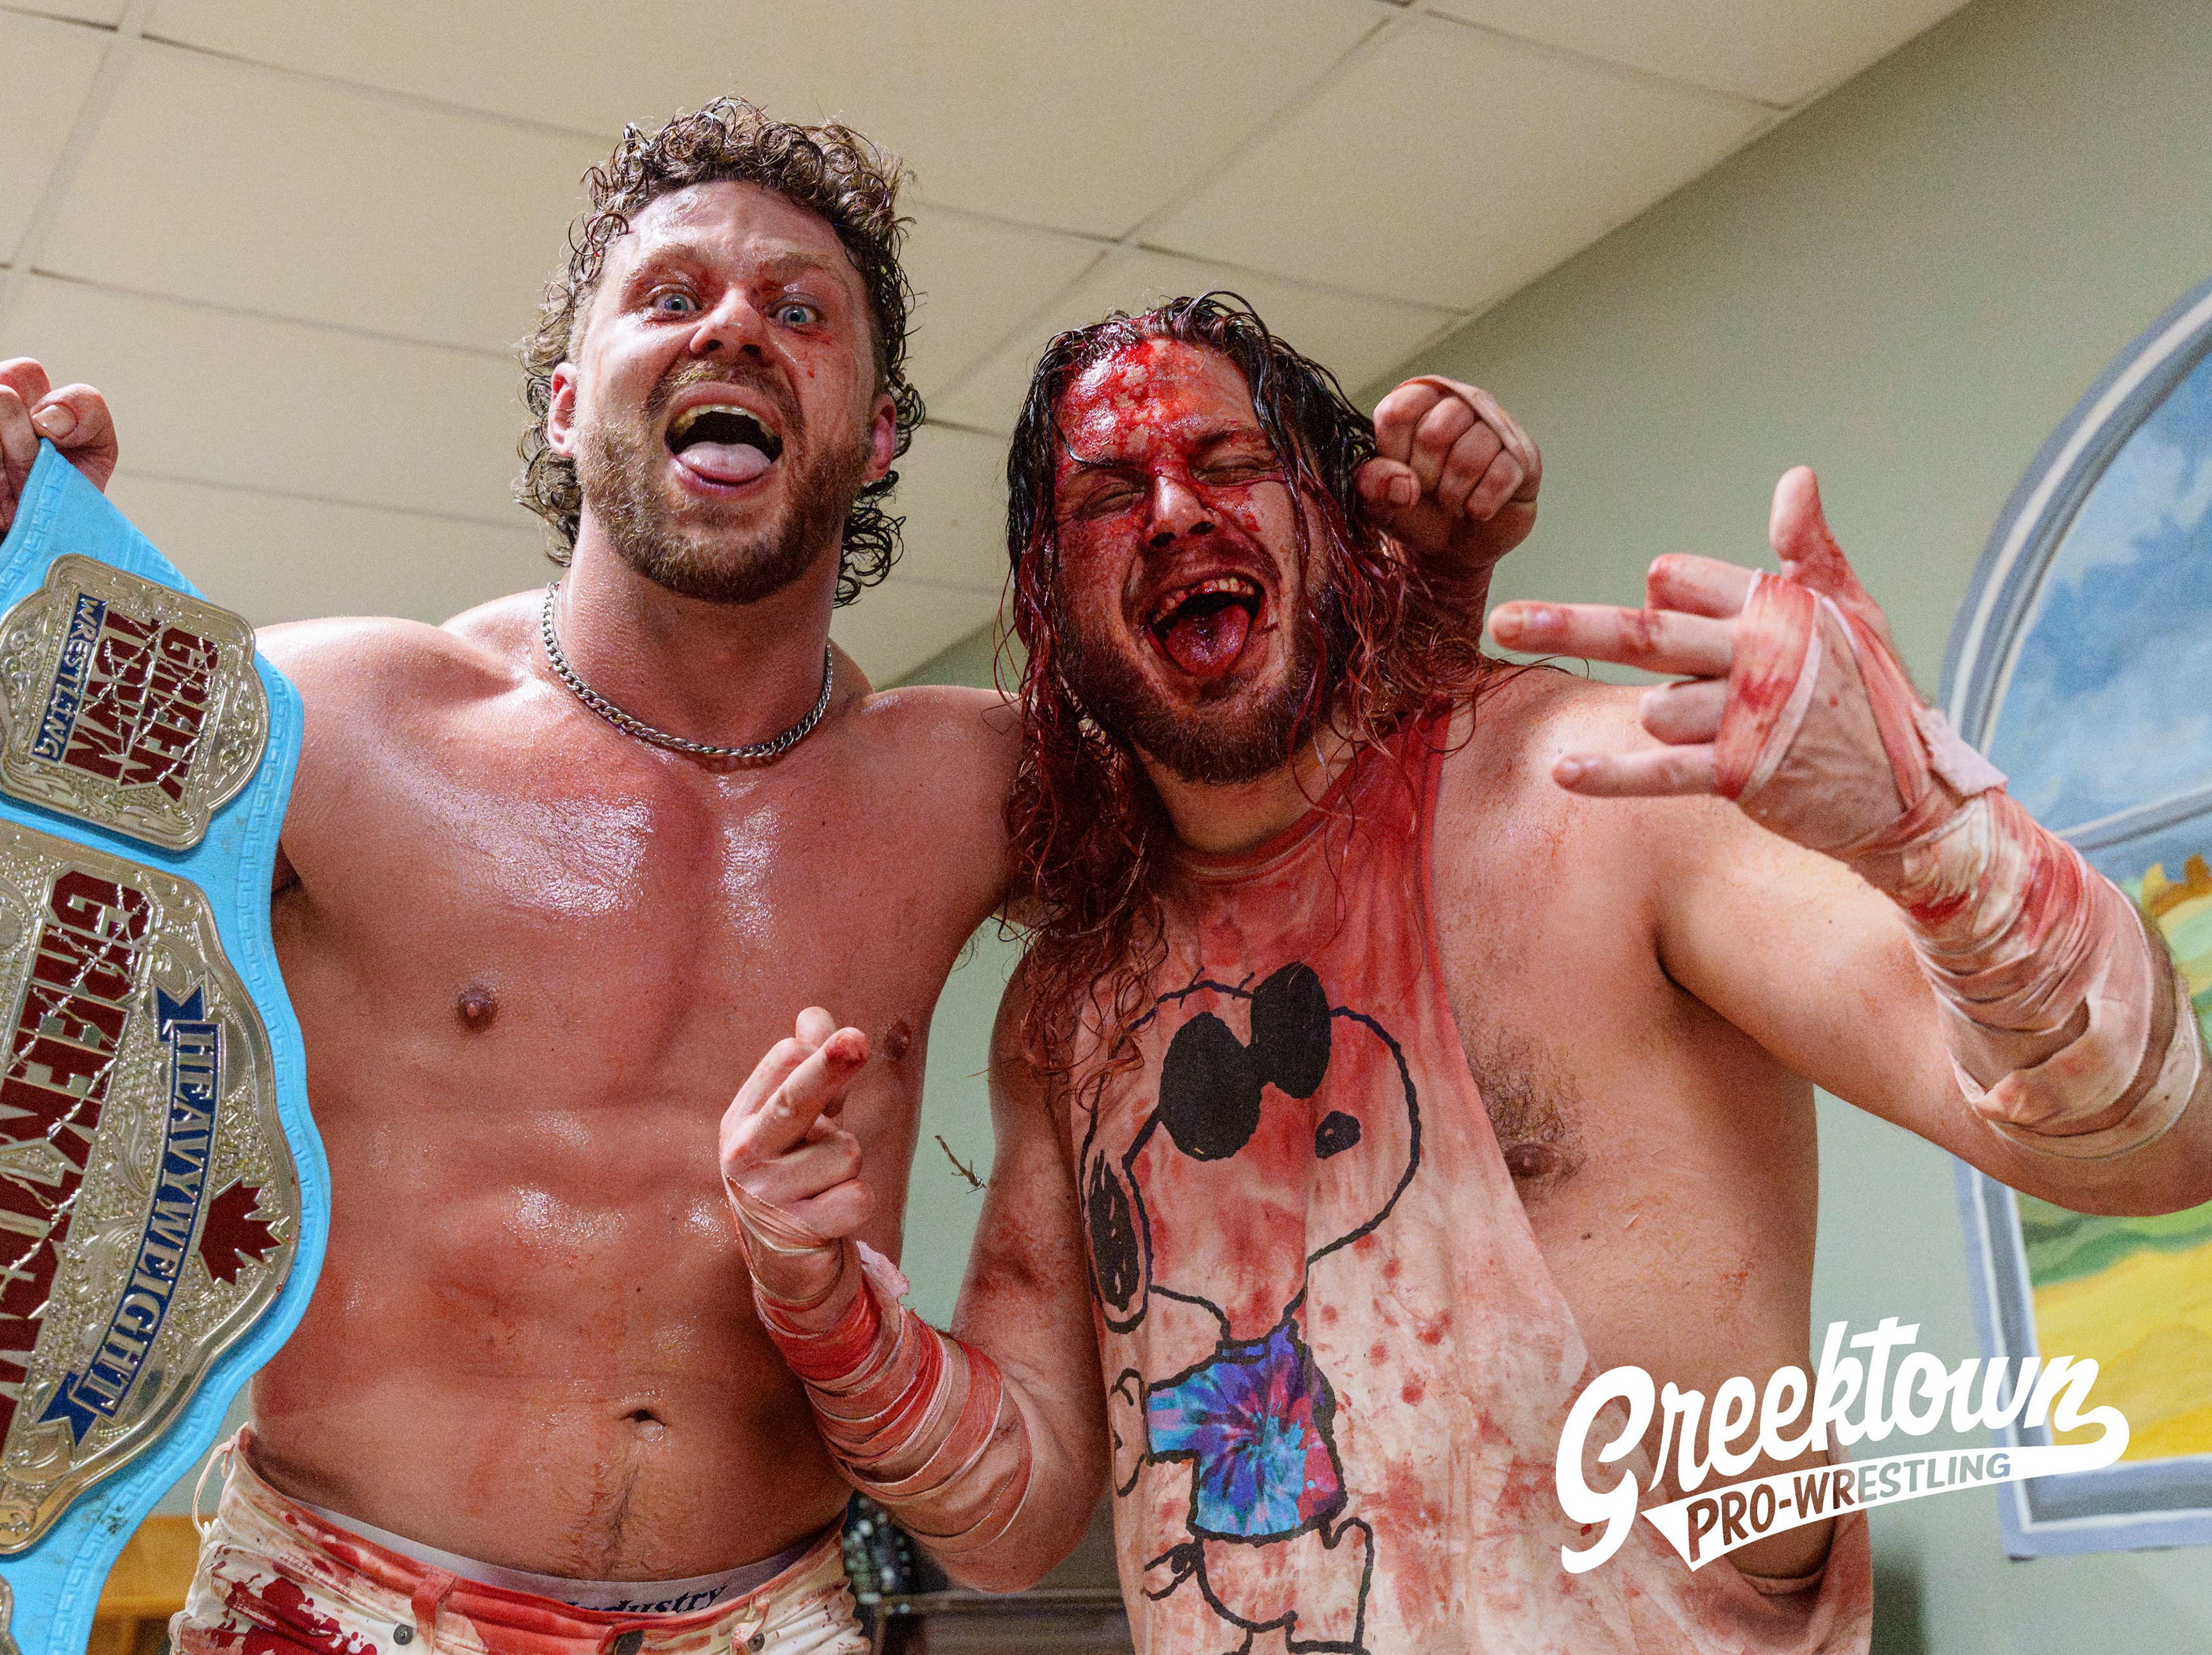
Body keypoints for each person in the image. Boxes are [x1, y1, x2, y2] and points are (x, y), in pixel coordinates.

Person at [0, 96, 1542, 1652]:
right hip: (334, 1603)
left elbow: (1303, 834)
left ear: (875, 434)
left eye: (801, 310)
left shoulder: (981, 783)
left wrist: (1437, 579)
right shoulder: (335, 718)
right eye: (670, 297)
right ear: (571, 404)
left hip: (776, 1612)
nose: (733, 326)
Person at [716, 295, 2212, 1653]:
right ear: (1051, 608)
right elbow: (1008, 1520)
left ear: (1339, 521)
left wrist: (1939, 833)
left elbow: (2151, 1145)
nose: (1173, 510)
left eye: (1231, 462)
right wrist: (829, 1307)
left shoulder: (1598, 798)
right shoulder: (1076, 1005)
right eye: (1109, 495)